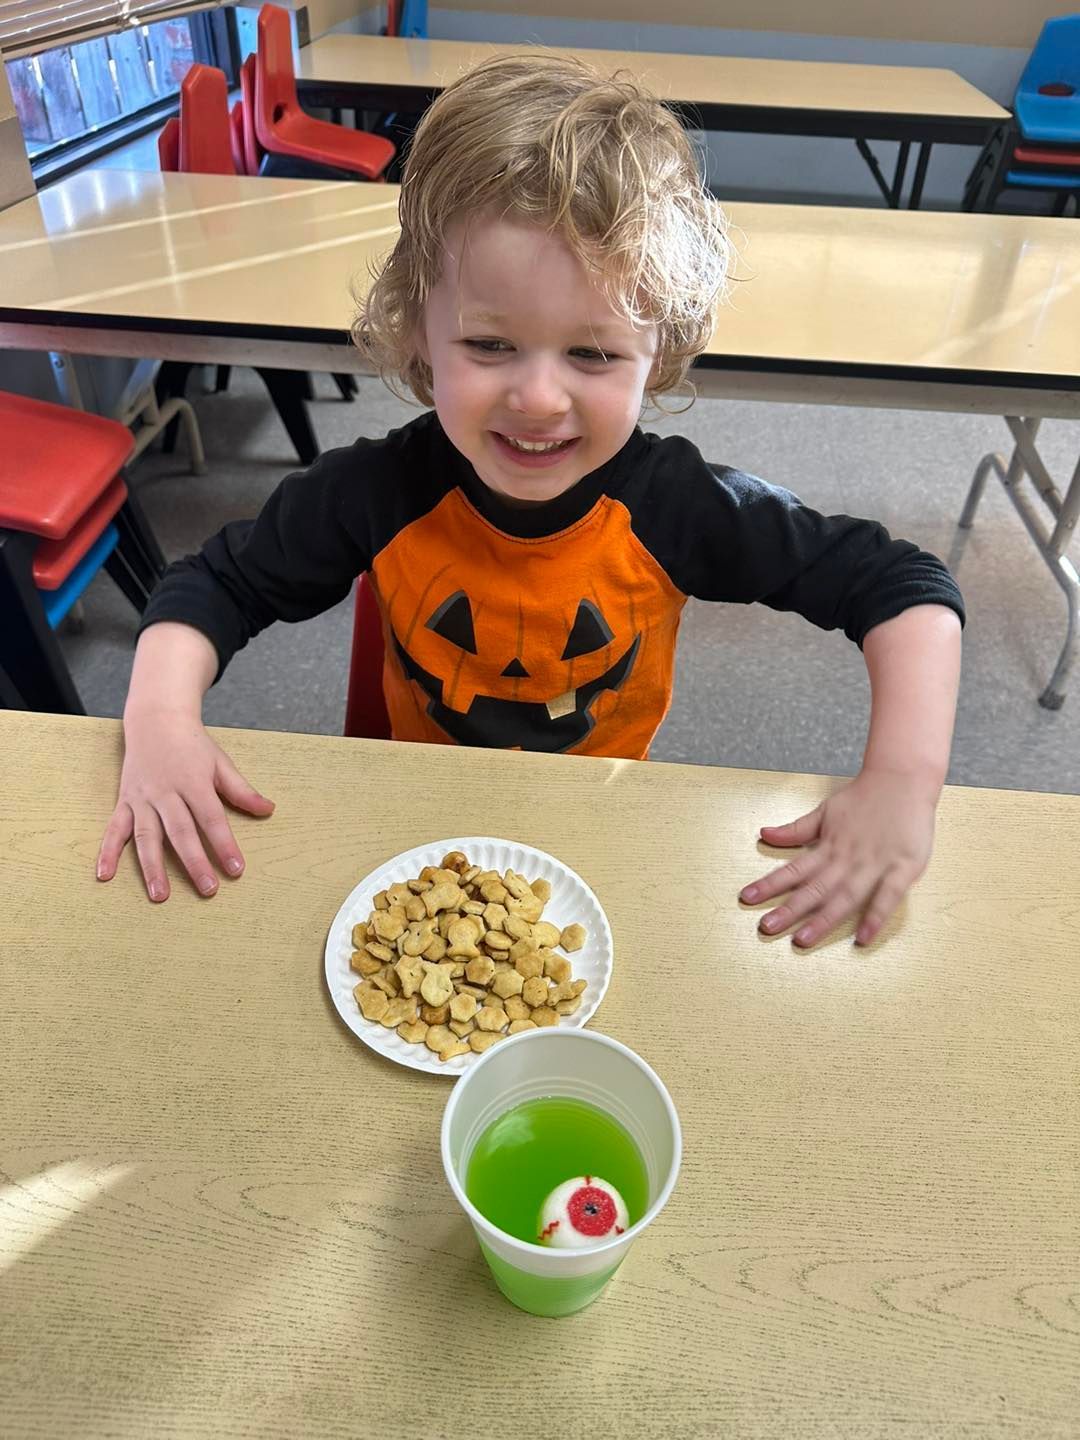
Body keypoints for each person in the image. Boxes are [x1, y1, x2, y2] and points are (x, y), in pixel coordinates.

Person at [97, 53, 963, 949]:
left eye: (592, 356)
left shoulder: (674, 507)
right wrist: (160, 722)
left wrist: (902, 781)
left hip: (603, 830)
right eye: (489, 343)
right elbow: (212, 586)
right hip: (415, 831)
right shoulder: (380, 490)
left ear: (657, 353)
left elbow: (903, 586)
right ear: (418, 331)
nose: (541, 399)